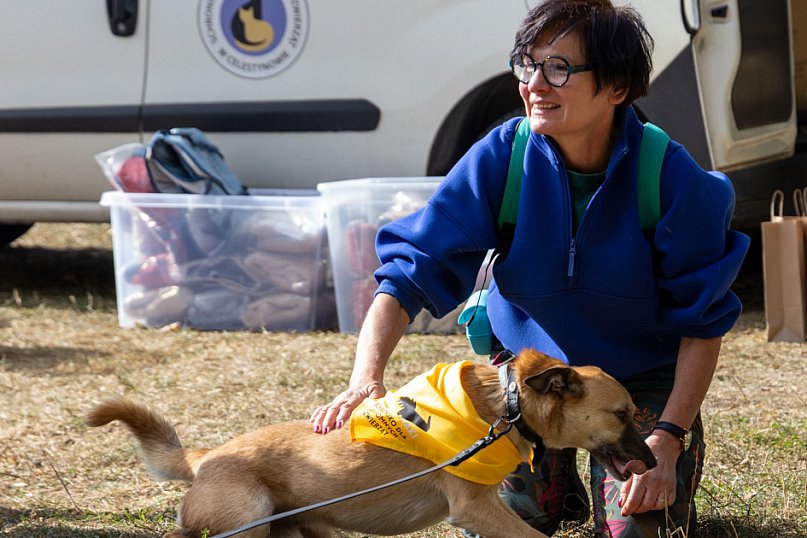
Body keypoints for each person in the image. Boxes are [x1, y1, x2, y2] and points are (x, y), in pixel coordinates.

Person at [310, 1, 749, 536]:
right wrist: (365, 378)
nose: (534, 84)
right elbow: (407, 273)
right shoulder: (502, 158)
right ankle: (552, 484)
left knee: (638, 527)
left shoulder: (673, 178)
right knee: (499, 524)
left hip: (636, 384)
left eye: (559, 68)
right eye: (528, 64)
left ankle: (614, 479)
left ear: (615, 87)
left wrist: (669, 435)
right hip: (528, 385)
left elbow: (702, 323)